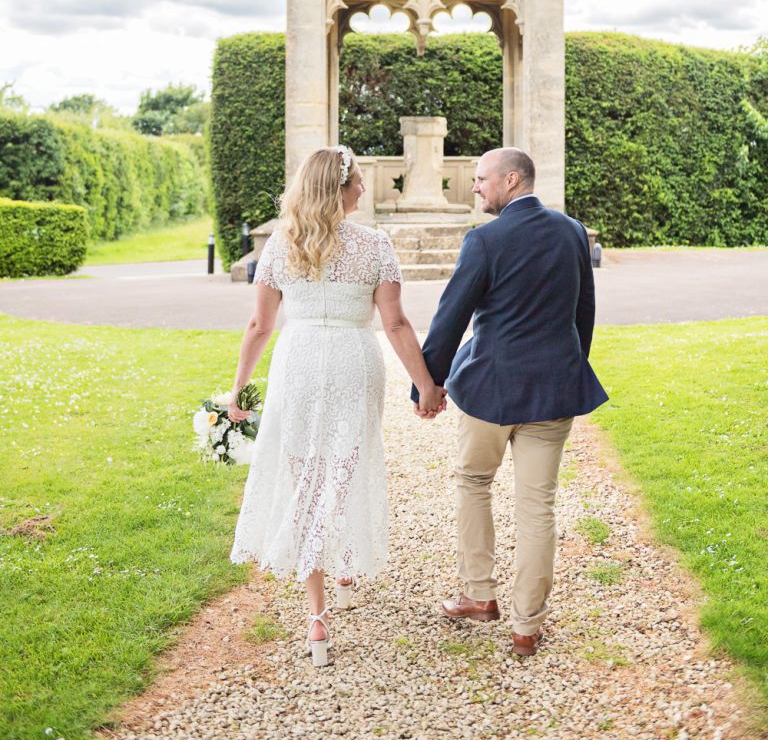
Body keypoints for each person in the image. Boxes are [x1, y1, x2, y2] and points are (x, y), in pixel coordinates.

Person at [229, 145, 445, 666]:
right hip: (353, 360)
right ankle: (340, 568)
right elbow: (395, 323)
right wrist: (425, 385)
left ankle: (318, 614)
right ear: (338, 189)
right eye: (357, 181)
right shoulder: (374, 245)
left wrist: (239, 388)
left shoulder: (281, 245)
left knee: (304, 476)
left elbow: (259, 326)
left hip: (298, 361)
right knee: (343, 467)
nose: (365, 188)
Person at [412, 147, 607, 657]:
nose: (475, 187)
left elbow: (450, 317)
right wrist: (570, 365)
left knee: (474, 481)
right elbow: (583, 312)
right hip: (555, 391)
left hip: (490, 392)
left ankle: (479, 594)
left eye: (481, 179)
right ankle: (527, 625)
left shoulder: (485, 240)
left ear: (512, 180)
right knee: (538, 505)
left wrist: (427, 385)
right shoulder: (572, 231)